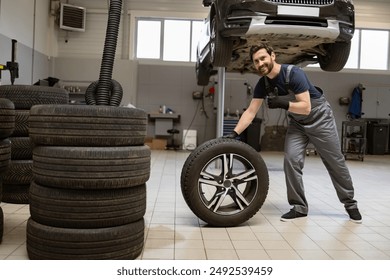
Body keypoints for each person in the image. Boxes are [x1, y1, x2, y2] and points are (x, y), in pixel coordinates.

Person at [224, 43, 362, 223]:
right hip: (298, 123)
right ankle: (299, 207)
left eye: (263, 58)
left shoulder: (294, 74)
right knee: (291, 160)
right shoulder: (263, 84)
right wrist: (235, 133)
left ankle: (350, 204)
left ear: (273, 55)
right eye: (256, 61)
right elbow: (251, 111)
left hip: (320, 118)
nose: (260, 63)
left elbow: (306, 107)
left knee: (334, 161)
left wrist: (283, 103)